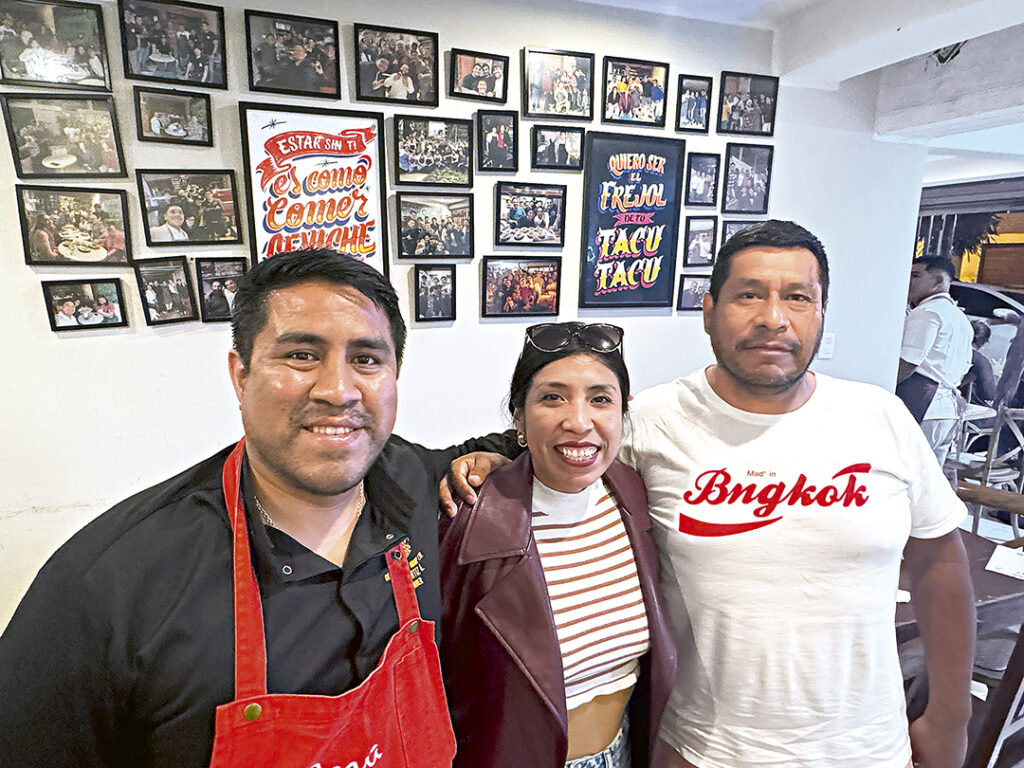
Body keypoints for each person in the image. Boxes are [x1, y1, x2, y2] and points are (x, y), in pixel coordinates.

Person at [444, 220, 976, 768]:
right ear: (708, 310)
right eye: (749, 294)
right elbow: (573, 453)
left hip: (866, 748)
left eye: (798, 297)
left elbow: (940, 564)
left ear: (821, 312)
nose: (773, 317)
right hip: (699, 749)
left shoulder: (881, 416)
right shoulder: (651, 421)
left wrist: (949, 715)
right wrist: (502, 463)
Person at [0, 248, 516, 768]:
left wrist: (492, 457)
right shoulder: (105, 588)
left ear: (394, 375)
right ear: (240, 375)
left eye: (366, 359)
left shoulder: (415, 479)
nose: (338, 391)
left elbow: (529, 443)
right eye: (300, 355)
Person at [440, 322, 674, 768]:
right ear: (518, 418)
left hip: (623, 753)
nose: (579, 421)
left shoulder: (638, 497)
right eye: (553, 397)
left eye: (600, 399)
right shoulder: (469, 517)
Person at [897, 256, 974, 467]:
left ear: (938, 282)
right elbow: (967, 368)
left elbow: (908, 363)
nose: (909, 281)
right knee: (929, 479)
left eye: (916, 276)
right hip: (947, 411)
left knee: (907, 473)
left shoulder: (927, 313)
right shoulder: (961, 319)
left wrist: (883, 391)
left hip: (923, 403)